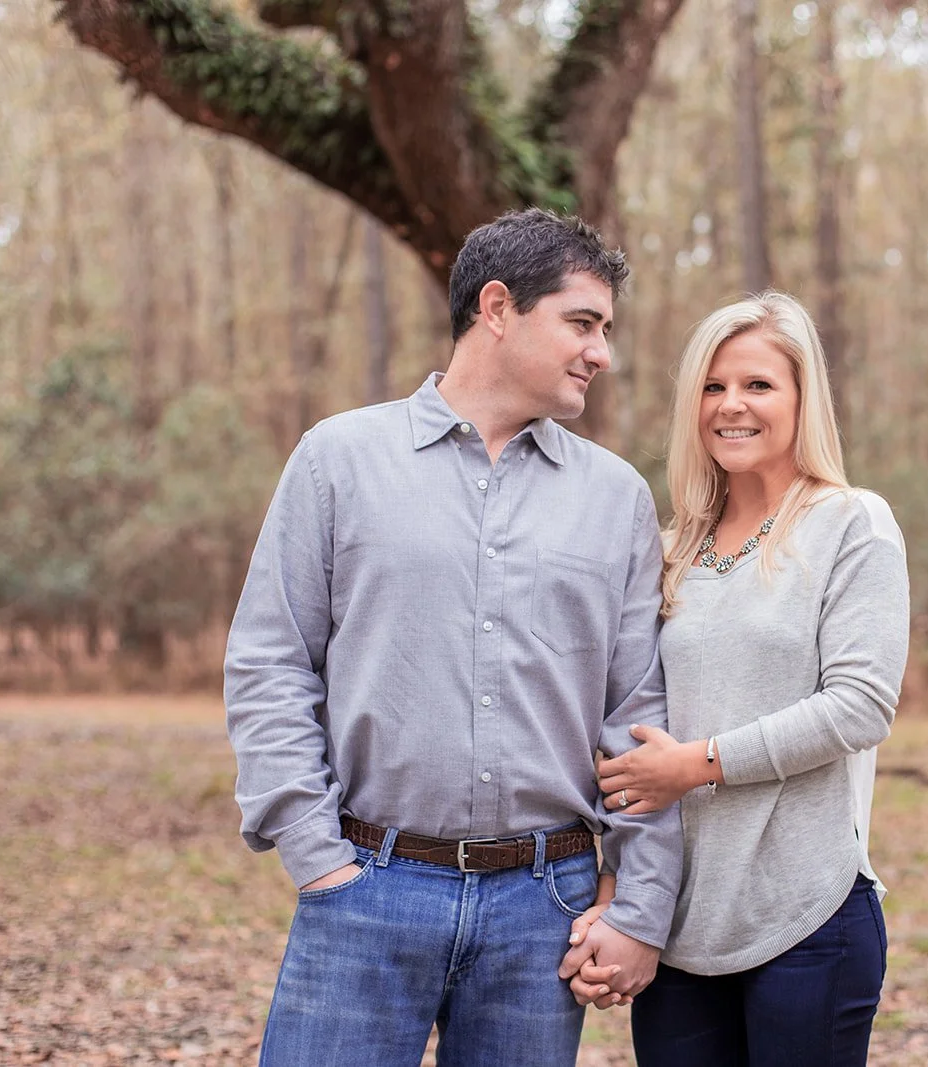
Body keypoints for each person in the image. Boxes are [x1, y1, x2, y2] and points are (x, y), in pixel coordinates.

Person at [224, 208, 682, 1066]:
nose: (602, 353)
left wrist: (639, 907)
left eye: (606, 329)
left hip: (543, 906)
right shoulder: (338, 460)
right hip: (366, 887)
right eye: (582, 323)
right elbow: (271, 662)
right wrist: (319, 859)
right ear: (499, 307)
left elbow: (637, 716)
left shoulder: (616, 499)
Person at [572, 292, 911, 1065]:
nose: (732, 406)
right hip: (681, 925)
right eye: (713, 386)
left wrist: (694, 766)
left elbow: (859, 705)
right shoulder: (671, 548)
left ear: (802, 399)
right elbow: (629, 722)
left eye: (758, 385)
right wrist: (618, 883)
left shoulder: (851, 524)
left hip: (808, 917)